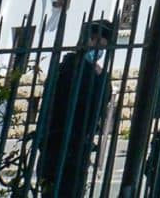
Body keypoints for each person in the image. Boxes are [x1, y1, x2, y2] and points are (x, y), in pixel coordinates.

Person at [30, 19, 116, 198]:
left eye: (102, 44)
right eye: (93, 40)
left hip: (76, 147)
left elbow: (100, 105)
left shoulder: (94, 72)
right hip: (59, 143)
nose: (96, 47)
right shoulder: (68, 68)